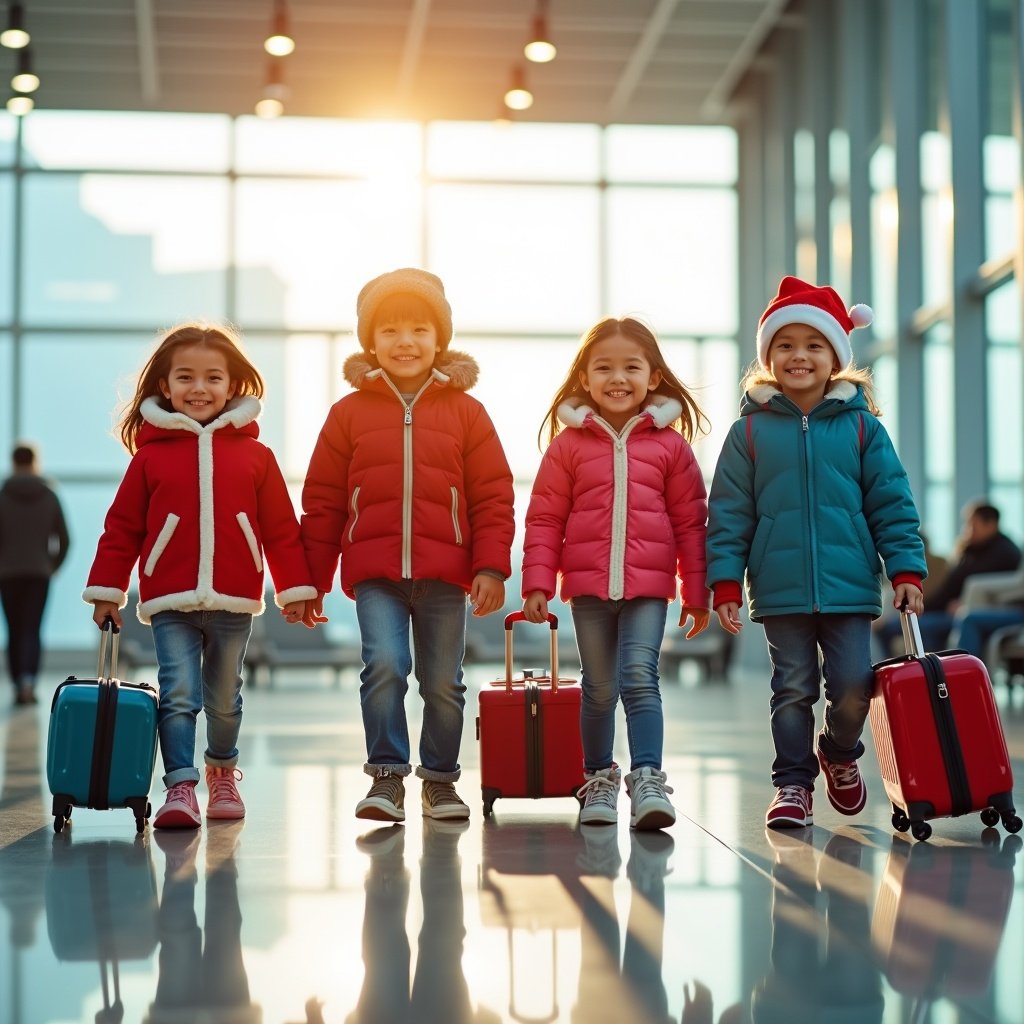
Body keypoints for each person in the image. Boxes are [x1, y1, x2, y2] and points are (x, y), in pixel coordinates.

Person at [706, 276, 927, 830]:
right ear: (767, 357)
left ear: (835, 357)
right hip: (779, 587)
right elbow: (730, 514)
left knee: (854, 685)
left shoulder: (862, 429)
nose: (798, 356)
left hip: (850, 584)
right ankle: (793, 786)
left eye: (813, 345)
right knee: (793, 688)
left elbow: (891, 502)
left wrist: (905, 568)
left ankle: (839, 751)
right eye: (785, 345)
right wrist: (726, 582)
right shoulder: (748, 434)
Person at [299, 268, 514, 823]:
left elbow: (492, 494)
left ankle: (440, 781)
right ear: (371, 340)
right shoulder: (348, 414)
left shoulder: (468, 413)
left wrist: (490, 566)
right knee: (386, 665)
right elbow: (322, 501)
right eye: (390, 330)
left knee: (443, 682)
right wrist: (312, 582)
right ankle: (387, 777)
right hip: (375, 574)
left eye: (418, 328)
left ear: (439, 339)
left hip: (447, 574)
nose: (405, 342)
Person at [83, 323, 316, 830]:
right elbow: (121, 529)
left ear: (232, 387)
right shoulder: (149, 458)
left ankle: (222, 772)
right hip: (170, 598)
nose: (199, 388)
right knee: (180, 692)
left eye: (213, 378)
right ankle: (181, 788)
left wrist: (295, 590)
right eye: (185, 377)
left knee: (224, 700)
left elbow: (279, 530)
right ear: (164, 387)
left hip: (234, 597)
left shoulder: (257, 457)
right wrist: (108, 592)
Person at [521, 316, 711, 831]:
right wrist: (537, 582)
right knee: (599, 687)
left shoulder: (671, 447)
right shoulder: (568, 446)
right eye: (603, 367)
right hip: (587, 589)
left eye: (631, 366)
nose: (617, 377)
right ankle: (598, 778)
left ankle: (647, 777)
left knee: (639, 678)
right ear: (584, 378)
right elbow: (544, 517)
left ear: (653, 378)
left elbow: (692, 522)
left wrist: (697, 592)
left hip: (649, 588)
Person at [0, 442, 70, 705]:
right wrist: (52, 567)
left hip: (7, 574)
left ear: (13, 462)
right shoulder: (49, 495)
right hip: (39, 573)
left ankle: (19, 682)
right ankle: (29, 682)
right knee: (32, 628)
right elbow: (65, 539)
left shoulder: (2, 496)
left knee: (14, 629)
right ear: (34, 462)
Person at [908, 501, 1021, 653]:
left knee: (924, 627)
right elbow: (949, 588)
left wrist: (962, 603)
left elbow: (1003, 592)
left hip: (967, 610)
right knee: (912, 625)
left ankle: (947, 673)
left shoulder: (1004, 554)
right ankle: (938, 671)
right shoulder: (973, 551)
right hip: (948, 609)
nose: (967, 530)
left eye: (973, 524)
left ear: (991, 524)